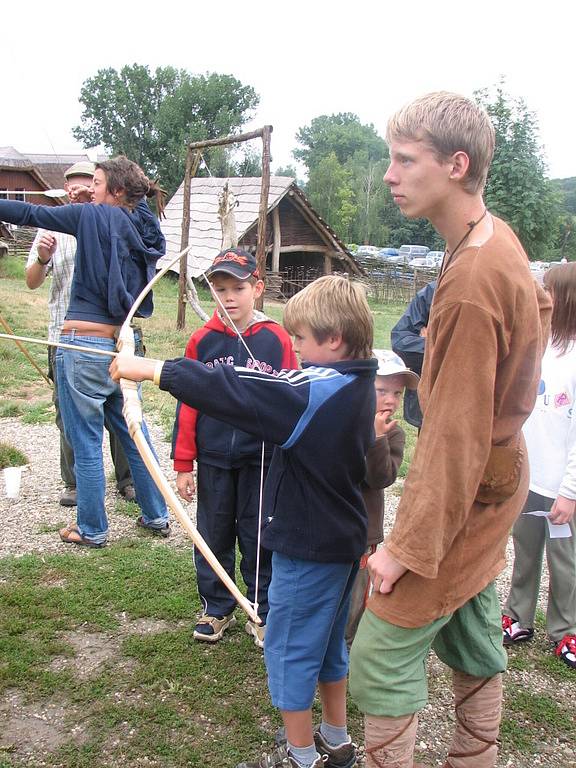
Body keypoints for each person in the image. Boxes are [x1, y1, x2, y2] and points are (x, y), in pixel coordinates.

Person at [348, 92, 551, 768]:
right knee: (466, 616)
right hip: (493, 475)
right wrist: (431, 378)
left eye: (405, 160)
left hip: (472, 485)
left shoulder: (471, 277)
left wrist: (402, 549)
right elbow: (538, 310)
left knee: (381, 648)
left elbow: (457, 438)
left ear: (456, 164)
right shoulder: (489, 238)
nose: (389, 175)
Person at [110, 275, 377, 768]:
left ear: (334, 339)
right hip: (341, 546)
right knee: (325, 648)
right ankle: (336, 740)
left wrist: (149, 369)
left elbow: (239, 388)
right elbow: (262, 386)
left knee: (290, 650)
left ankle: (300, 757)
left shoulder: (314, 393)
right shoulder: (359, 381)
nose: (293, 347)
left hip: (308, 548)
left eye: (301, 339)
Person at [0, 155, 170, 547]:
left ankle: (91, 528)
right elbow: (136, 203)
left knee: (87, 442)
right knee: (134, 433)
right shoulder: (142, 225)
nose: (89, 189)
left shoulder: (90, 216)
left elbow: (28, 212)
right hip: (123, 347)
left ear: (117, 190)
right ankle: (157, 515)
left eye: (96, 182)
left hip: (82, 346)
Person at [172, 247, 298, 647]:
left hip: (261, 461)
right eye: (220, 288)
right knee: (212, 533)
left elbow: (292, 397)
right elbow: (188, 403)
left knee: (259, 534)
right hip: (212, 460)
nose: (229, 297)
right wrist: (183, 464)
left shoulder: (275, 338)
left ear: (257, 289)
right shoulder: (201, 341)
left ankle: (260, 609)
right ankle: (216, 607)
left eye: (238, 288)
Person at [25, 161, 136, 507]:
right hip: (64, 337)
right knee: (68, 416)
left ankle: (128, 480)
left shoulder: (118, 221)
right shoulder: (52, 229)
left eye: (85, 183)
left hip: (113, 337)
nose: (77, 189)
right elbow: (31, 280)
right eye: (70, 184)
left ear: (99, 186)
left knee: (123, 412)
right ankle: (75, 485)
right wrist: (43, 258)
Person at [502, 263, 576, 670]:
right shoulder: (540, 347)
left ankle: (566, 630)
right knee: (524, 550)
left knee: (564, 560)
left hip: (561, 487)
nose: (542, 298)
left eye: (550, 291)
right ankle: (519, 616)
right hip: (527, 476)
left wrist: (570, 491)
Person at [345, 349, 411, 648]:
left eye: (397, 393)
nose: (390, 400)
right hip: (332, 524)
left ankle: (347, 645)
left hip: (364, 531)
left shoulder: (392, 435)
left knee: (356, 594)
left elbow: (380, 478)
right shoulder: (342, 421)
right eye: (381, 390)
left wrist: (377, 439)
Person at [391, 280, 436, 429]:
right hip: (428, 401)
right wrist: (432, 345)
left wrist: (432, 340)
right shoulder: (432, 292)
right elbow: (400, 343)